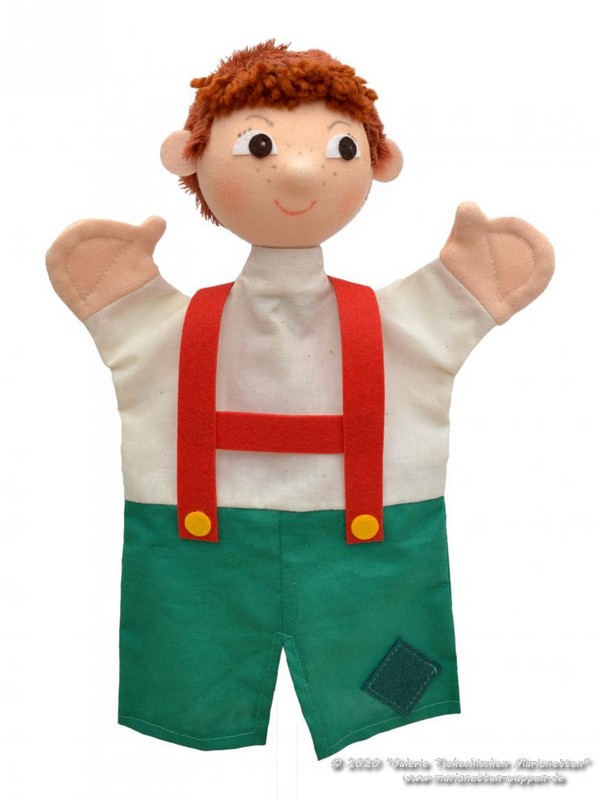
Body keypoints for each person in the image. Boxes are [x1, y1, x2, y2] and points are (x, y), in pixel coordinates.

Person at [46, 40, 554, 759]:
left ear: (376, 160)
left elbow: (451, 304)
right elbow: (119, 307)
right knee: (183, 697)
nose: (299, 168)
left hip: (376, 559)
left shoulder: (391, 327)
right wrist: (111, 286)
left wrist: (470, 280)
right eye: (259, 145)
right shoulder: (176, 330)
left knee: (394, 701)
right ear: (192, 156)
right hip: (193, 563)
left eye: (337, 146)